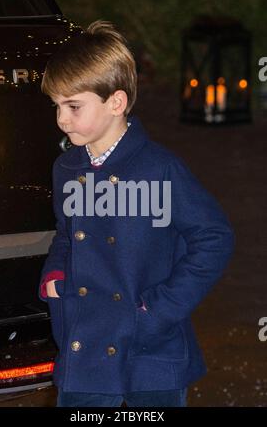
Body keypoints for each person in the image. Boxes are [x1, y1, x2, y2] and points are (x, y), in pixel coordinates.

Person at [38, 20, 235, 407]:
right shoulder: (67, 169)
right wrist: (55, 278)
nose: (61, 119)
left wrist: (157, 311)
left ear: (116, 102)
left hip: (150, 351)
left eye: (73, 106)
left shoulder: (159, 168)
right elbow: (66, 232)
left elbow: (214, 238)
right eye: (57, 106)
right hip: (85, 345)